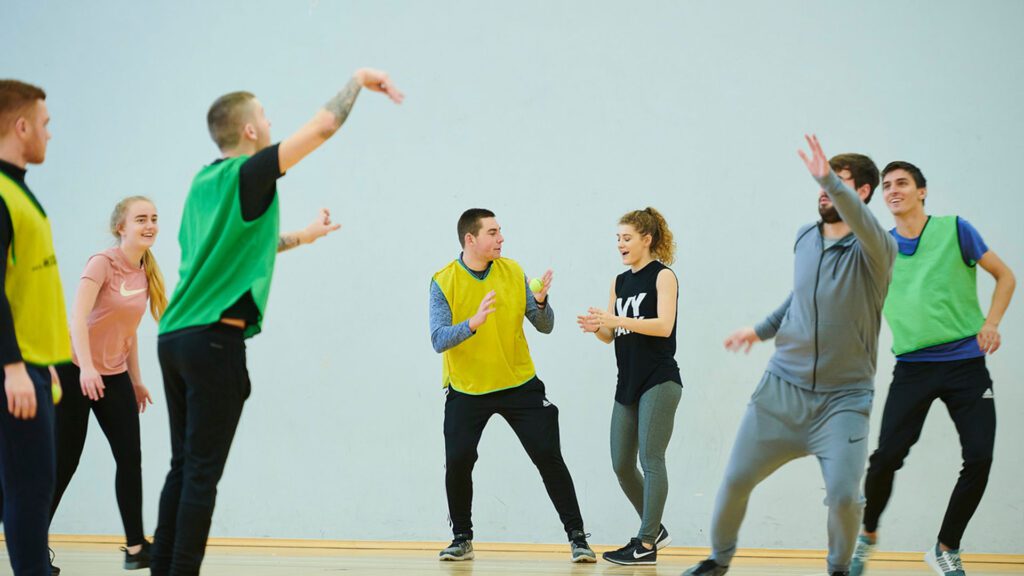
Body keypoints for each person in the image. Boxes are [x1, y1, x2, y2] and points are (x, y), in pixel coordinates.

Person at [150, 68, 403, 576]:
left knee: (183, 467)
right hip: (213, 341)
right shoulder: (250, 172)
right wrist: (356, 80)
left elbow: (233, 250)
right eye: (264, 115)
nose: (269, 122)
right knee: (201, 474)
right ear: (249, 131)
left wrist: (303, 238)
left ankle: (162, 569)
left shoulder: (202, 183)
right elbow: (323, 127)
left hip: (174, 337)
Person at [683, 135, 897, 576]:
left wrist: (826, 176)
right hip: (781, 392)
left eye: (838, 182)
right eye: (822, 181)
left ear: (862, 193)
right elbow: (800, 297)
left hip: (843, 401)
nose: (824, 188)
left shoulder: (876, 249)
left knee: (844, 496)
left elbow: (864, 224)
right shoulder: (805, 237)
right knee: (735, 480)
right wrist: (759, 330)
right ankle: (717, 561)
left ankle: (839, 567)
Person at [850, 161, 1015, 576]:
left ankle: (945, 547)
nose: (893, 190)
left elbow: (1006, 277)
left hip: (966, 366)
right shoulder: (880, 247)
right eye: (886, 185)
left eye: (902, 183)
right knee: (886, 457)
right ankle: (867, 534)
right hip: (913, 368)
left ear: (921, 191)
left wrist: (991, 323)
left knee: (979, 458)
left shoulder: (956, 229)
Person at [430, 208, 596, 563]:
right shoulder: (443, 281)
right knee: (458, 460)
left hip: (518, 383)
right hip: (467, 388)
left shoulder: (513, 271)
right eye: (493, 232)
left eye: (500, 231)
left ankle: (578, 537)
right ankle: (462, 538)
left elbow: (544, 325)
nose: (501, 238)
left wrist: (540, 302)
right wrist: (471, 324)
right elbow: (438, 339)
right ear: (470, 239)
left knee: (548, 456)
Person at [49, 196, 168, 573]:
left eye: (153, 219)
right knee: (65, 461)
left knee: (130, 458)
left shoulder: (145, 270)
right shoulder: (102, 263)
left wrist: (137, 381)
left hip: (114, 374)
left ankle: (135, 548)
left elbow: (127, 334)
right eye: (140, 219)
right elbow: (77, 319)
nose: (149, 225)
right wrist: (86, 368)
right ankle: (32, 541)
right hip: (74, 371)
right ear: (122, 227)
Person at [577, 207, 681, 565]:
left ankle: (647, 542)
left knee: (651, 459)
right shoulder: (619, 282)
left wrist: (616, 318)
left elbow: (663, 326)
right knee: (621, 464)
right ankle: (655, 528)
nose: (620, 245)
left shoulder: (663, 276)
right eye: (617, 239)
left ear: (646, 239)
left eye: (627, 238)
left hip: (659, 379)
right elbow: (611, 334)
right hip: (628, 382)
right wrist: (597, 327)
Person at [0, 79, 72, 576]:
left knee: (22, 489)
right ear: (21, 126)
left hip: (35, 367)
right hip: (17, 371)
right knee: (30, 491)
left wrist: (49, 364)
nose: (50, 134)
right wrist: (14, 367)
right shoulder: (2, 194)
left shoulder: (19, 192)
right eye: (44, 124)